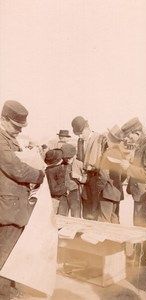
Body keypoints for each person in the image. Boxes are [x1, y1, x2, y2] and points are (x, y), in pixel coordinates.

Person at [0, 100, 45, 300]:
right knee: (5, 251)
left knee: (11, 250)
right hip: (8, 206)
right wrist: (39, 175)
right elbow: (15, 167)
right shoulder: (1, 140)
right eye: (15, 126)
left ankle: (9, 288)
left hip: (14, 203)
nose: (19, 131)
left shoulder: (8, 138)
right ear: (3, 119)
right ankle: (4, 292)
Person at [120, 117, 146, 266]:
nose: (129, 139)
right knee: (138, 224)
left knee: (141, 225)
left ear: (138, 132)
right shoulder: (141, 145)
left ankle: (143, 257)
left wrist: (128, 168)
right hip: (138, 192)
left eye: (130, 135)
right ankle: (140, 254)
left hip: (143, 193)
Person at [71, 116, 107, 220]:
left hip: (96, 177)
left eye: (81, 133)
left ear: (87, 128)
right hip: (85, 177)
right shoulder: (80, 141)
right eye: (78, 134)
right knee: (86, 202)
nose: (80, 136)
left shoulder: (100, 138)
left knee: (95, 206)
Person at [97, 125, 125, 223]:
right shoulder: (121, 153)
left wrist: (98, 189)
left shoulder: (108, 153)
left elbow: (103, 174)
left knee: (104, 220)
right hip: (117, 191)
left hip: (107, 192)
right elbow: (125, 173)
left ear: (109, 139)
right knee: (115, 219)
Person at [59, 143, 87, 217]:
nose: (67, 160)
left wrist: (79, 177)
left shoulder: (79, 164)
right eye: (65, 158)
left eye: (69, 158)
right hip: (63, 193)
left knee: (76, 215)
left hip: (75, 193)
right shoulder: (61, 165)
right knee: (61, 215)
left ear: (74, 156)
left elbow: (86, 179)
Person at [44, 148, 66, 214]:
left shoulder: (48, 169)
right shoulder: (55, 170)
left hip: (48, 197)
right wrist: (65, 189)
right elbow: (54, 189)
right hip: (53, 198)